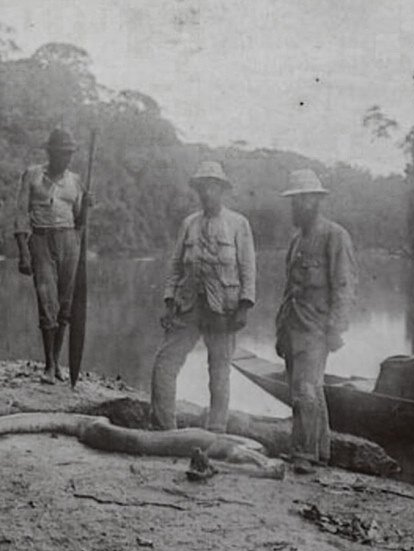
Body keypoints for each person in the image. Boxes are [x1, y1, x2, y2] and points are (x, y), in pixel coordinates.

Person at [150, 161, 256, 432]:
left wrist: (244, 307)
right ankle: (164, 429)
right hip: (188, 305)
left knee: (219, 371)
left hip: (223, 308)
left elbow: (248, 268)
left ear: (222, 190)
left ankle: (216, 432)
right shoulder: (189, 224)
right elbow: (176, 266)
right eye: (202, 188)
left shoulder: (238, 224)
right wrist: (169, 300)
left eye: (213, 187)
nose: (207, 193)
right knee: (164, 364)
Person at [275, 169, 357, 474]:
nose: (298, 205)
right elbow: (288, 290)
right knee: (309, 390)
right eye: (295, 200)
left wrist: (337, 328)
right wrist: (279, 330)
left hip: (316, 328)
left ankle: (305, 454)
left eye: (304, 199)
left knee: (306, 390)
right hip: (293, 327)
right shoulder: (296, 241)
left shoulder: (335, 236)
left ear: (316, 200)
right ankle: (319, 451)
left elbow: (345, 286)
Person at [14, 129, 87, 384]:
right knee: (47, 301)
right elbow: (22, 213)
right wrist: (23, 251)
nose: (66, 158)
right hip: (41, 239)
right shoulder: (32, 175)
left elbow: (78, 220)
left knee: (65, 304)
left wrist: (87, 207)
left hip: (69, 240)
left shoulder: (75, 181)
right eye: (61, 153)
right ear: (50, 152)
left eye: (69, 154)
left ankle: (57, 361)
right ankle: (48, 364)